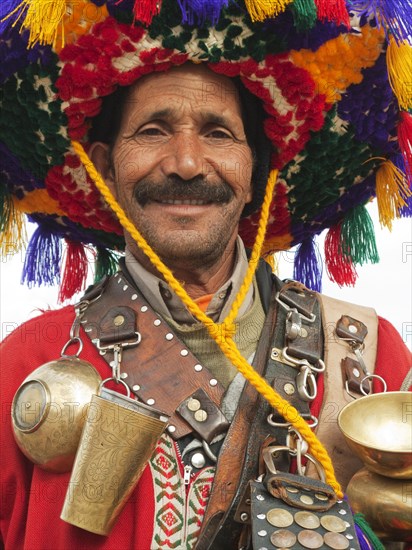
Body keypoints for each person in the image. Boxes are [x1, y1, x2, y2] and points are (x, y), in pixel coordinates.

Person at [0, 1, 411, 548]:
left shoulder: (367, 360)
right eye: (152, 131)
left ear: (255, 171)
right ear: (103, 166)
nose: (187, 163)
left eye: (218, 133)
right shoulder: (28, 362)